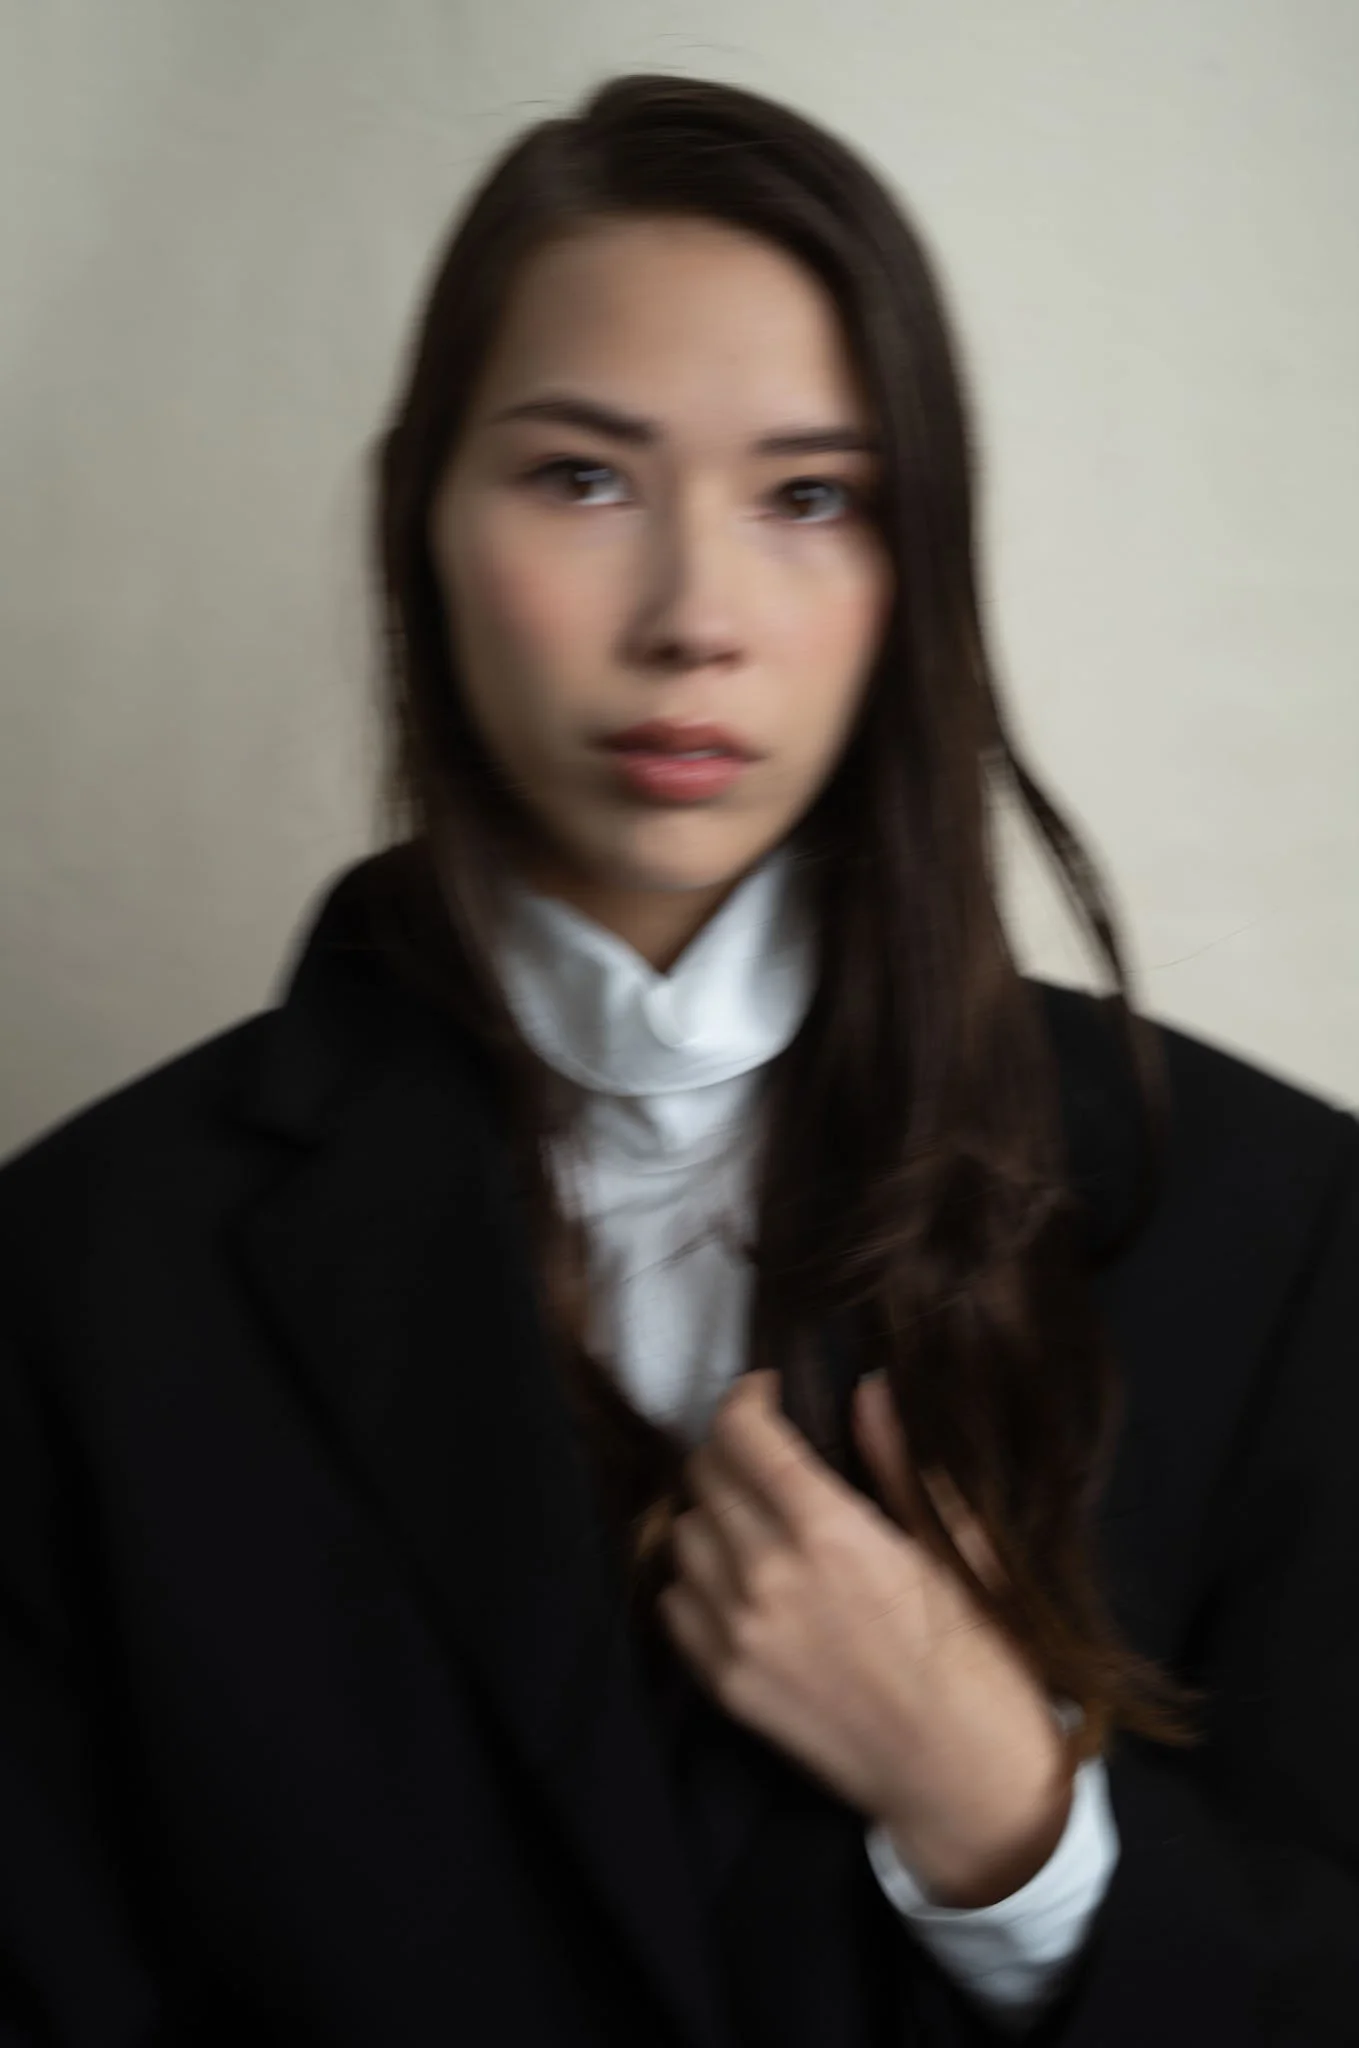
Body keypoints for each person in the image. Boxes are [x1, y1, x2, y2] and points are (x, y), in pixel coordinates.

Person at [0, 70, 1355, 2048]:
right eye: (580, 476)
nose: (693, 616)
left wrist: (1012, 1826)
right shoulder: (82, 1271)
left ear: (917, 574)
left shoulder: (1280, 1226)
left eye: (810, 498)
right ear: (422, 521)